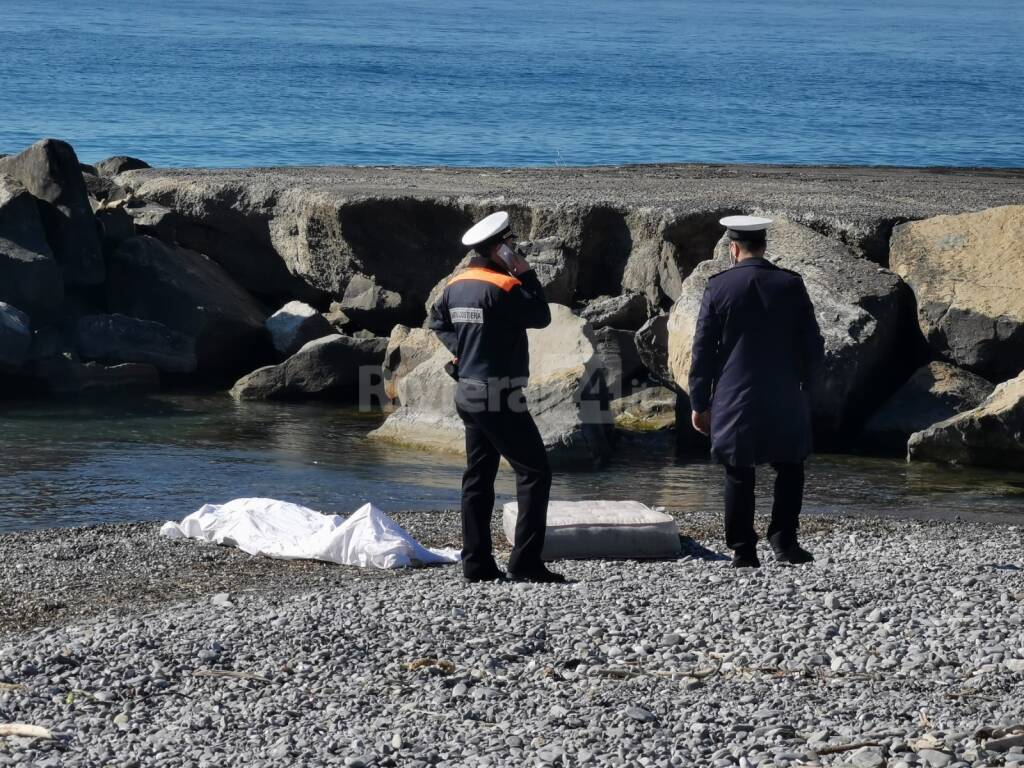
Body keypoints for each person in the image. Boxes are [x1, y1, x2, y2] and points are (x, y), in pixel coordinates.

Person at [427, 211, 565, 584]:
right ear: (501, 248)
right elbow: (541, 316)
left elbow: (436, 321)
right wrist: (525, 272)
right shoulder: (504, 287)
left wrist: (461, 351)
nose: (515, 250)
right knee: (535, 472)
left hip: (468, 392)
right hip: (499, 394)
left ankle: (476, 563)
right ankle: (525, 563)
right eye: (511, 245)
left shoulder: (456, 284)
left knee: (478, 478)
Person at [689, 215, 825, 568]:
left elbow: (703, 350)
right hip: (785, 392)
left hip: (734, 394)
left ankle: (743, 550)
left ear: (733, 248)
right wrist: (810, 388)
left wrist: (699, 402)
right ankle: (784, 543)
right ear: (764, 246)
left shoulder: (718, 287)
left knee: (738, 470)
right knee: (790, 467)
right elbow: (812, 343)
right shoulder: (790, 284)